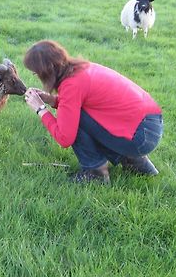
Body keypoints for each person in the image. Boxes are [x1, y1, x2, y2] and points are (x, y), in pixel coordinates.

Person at [23, 40, 163, 183]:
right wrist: (52, 100)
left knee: (73, 121)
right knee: (77, 114)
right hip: (149, 126)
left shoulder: (71, 85)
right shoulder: (82, 68)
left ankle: (96, 173)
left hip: (140, 137)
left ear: (47, 70)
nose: (37, 76)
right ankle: (136, 163)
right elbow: (89, 104)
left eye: (36, 73)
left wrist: (41, 109)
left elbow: (65, 138)